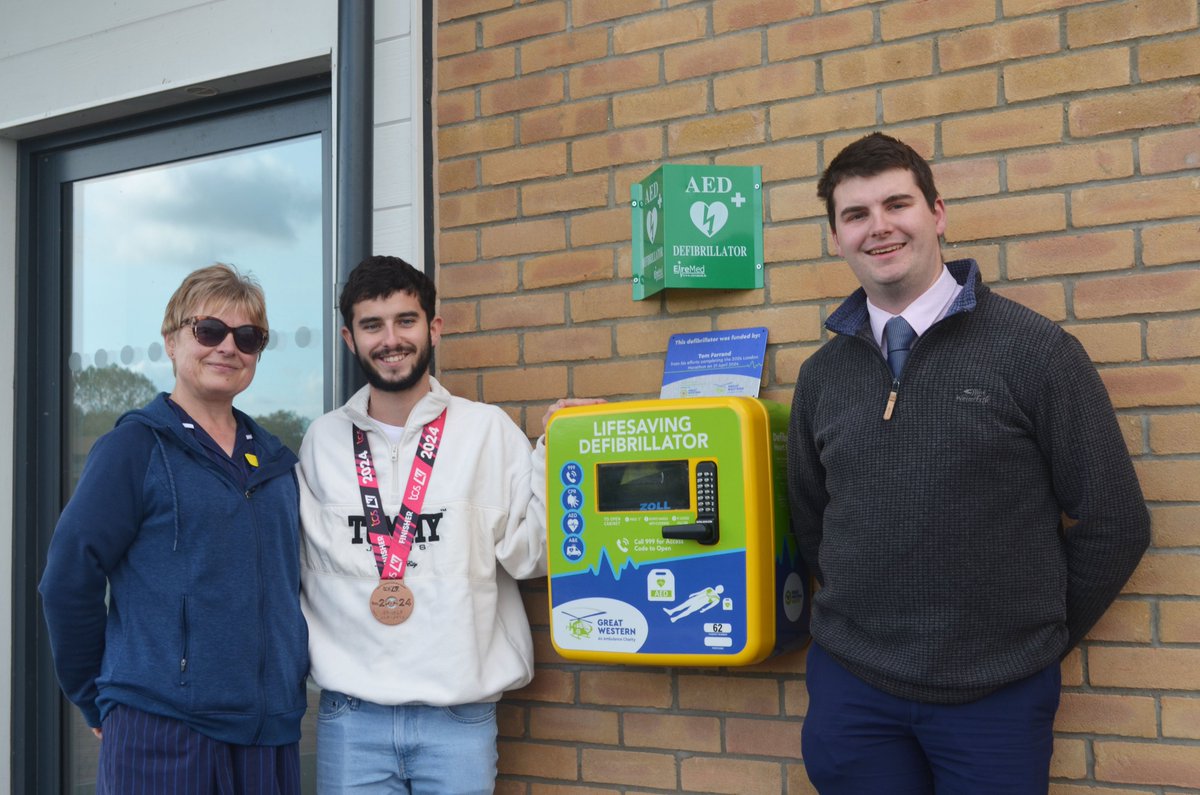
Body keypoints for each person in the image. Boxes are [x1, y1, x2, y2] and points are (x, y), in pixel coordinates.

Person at [786, 132, 1150, 793]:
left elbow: (1115, 521)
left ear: (938, 213)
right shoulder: (820, 377)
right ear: (835, 236)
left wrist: (1029, 636)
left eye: (898, 203)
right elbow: (814, 523)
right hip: (855, 693)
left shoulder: (1035, 352)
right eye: (856, 214)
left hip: (995, 698)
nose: (880, 227)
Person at [298, 255, 586, 794]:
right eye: (372, 325)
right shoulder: (322, 442)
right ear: (348, 337)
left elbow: (533, 557)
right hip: (351, 718)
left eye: (405, 320)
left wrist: (558, 452)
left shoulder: (487, 431)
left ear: (434, 327)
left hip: (458, 718)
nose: (391, 339)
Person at [40, 264, 308, 793]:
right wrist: (96, 696)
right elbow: (69, 579)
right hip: (161, 733)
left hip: (270, 735)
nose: (227, 348)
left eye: (247, 337)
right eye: (209, 330)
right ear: (171, 340)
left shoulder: (277, 464)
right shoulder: (133, 449)